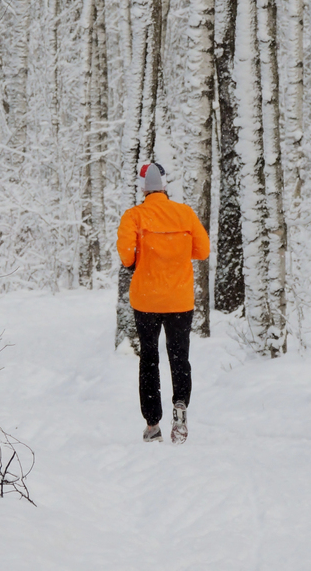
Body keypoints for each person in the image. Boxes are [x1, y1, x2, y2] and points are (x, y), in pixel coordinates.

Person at [117, 163, 210, 444]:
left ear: (142, 187)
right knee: (179, 356)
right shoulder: (185, 213)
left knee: (149, 358)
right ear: (165, 185)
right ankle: (180, 406)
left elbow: (126, 257)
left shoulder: (134, 216)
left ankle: (153, 424)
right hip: (180, 299)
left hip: (146, 299)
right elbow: (202, 250)